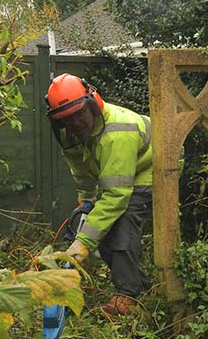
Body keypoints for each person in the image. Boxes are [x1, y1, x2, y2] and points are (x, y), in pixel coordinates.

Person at [44, 73, 152, 316]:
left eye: (79, 114)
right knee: (101, 229)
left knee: (121, 221)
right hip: (119, 172)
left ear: (92, 103)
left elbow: (116, 196)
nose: (76, 123)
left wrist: (82, 243)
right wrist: (86, 195)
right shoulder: (70, 134)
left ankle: (128, 295)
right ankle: (141, 286)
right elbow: (80, 167)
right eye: (66, 119)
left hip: (151, 166)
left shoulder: (116, 132)